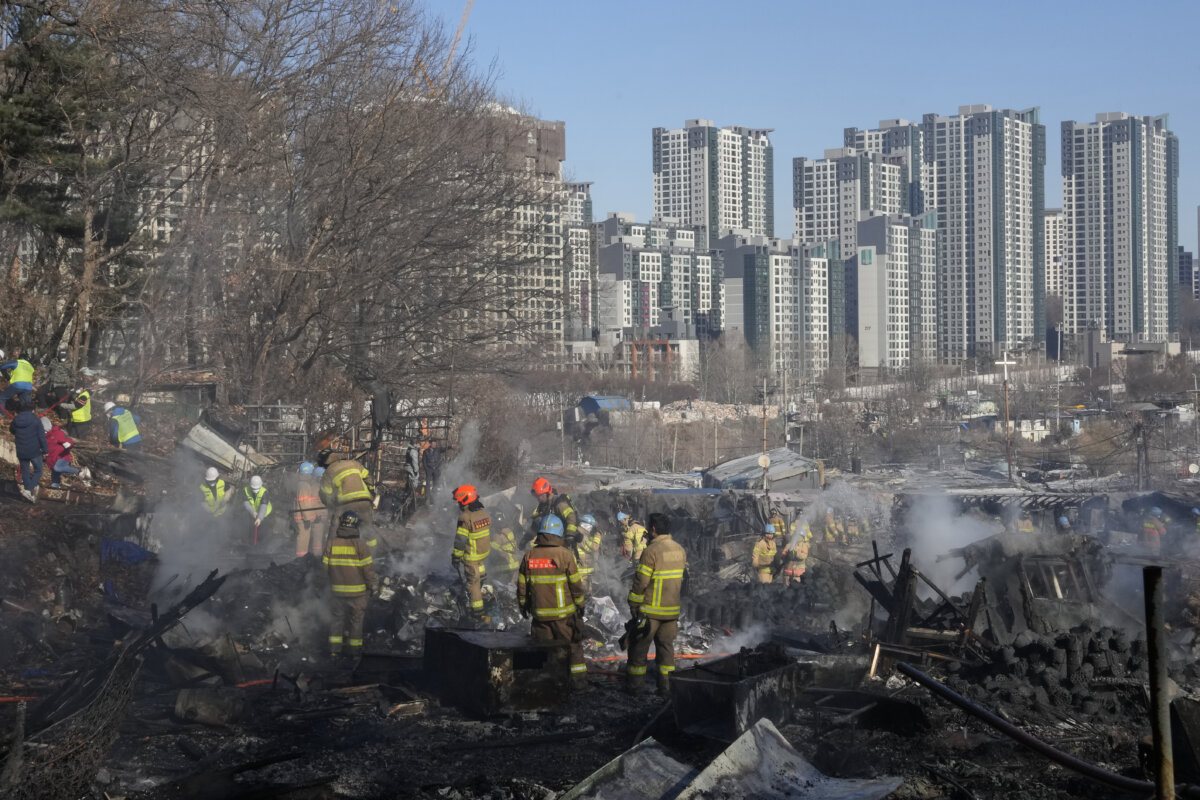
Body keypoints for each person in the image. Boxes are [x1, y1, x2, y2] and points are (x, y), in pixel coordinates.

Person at [517, 514, 587, 688]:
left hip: (540, 616)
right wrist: (580, 605)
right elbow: (576, 585)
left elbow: (521, 586)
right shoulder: (565, 555)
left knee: (543, 652)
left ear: (541, 533)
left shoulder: (529, 555)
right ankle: (578, 684)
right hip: (564, 616)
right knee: (573, 648)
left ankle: (547, 686)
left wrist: (523, 605)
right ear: (559, 534)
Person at [626, 512, 687, 697]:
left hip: (650, 612)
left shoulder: (651, 551)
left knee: (638, 649)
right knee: (666, 650)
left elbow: (641, 582)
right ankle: (666, 688)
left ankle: (636, 688)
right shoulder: (680, 550)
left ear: (653, 530)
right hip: (671, 613)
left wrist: (633, 604)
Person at [323, 510, 378, 659]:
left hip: (336, 594)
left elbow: (324, 570)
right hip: (357, 595)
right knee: (356, 623)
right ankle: (353, 653)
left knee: (336, 621)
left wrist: (323, 586)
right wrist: (373, 586)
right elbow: (368, 571)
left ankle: (334, 651)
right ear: (355, 526)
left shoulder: (331, 544)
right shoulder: (361, 545)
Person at [319, 449, 377, 550]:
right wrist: (371, 492)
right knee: (368, 527)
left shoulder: (329, 471)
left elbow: (326, 494)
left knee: (334, 528)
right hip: (364, 501)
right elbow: (368, 478)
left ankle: (329, 553)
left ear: (324, 462)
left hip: (345, 503)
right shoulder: (354, 463)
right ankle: (372, 554)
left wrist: (331, 507)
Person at [451, 484, 491, 620]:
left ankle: (478, 613)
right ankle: (483, 589)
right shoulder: (483, 514)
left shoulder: (465, 517)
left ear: (464, 500)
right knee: (479, 577)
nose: (458, 504)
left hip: (472, 557)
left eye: (458, 501)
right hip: (482, 554)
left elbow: (460, 542)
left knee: (472, 584)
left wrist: (456, 558)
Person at [9, 399, 47, 502]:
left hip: (21, 450)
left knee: (25, 470)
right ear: (32, 410)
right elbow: (41, 436)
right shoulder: (36, 420)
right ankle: (28, 489)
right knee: (38, 470)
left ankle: (28, 491)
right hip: (34, 450)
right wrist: (45, 450)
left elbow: (12, 430)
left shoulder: (16, 420)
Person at [528, 477, 579, 548]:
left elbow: (571, 516)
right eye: (537, 497)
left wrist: (570, 535)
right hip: (552, 539)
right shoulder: (544, 505)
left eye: (540, 496)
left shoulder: (559, 503)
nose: (538, 499)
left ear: (547, 493)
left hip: (565, 538)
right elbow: (537, 521)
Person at [293, 462, 326, 558]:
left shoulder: (303, 484)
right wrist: (307, 518)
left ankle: (303, 558)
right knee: (303, 539)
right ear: (308, 474)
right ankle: (301, 559)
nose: (312, 476)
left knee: (305, 538)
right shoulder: (304, 486)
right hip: (303, 519)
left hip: (303, 517)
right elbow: (305, 504)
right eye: (311, 473)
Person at [44, 419, 80, 488]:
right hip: (52, 460)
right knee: (55, 480)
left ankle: (78, 472)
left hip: (62, 457)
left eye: (45, 430)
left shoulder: (58, 433)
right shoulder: (44, 437)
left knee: (57, 468)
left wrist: (68, 444)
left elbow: (70, 441)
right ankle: (55, 489)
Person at [575, 514, 604, 593]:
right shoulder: (581, 536)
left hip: (585, 569)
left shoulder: (581, 533)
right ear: (586, 525)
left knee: (588, 589)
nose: (592, 529)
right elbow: (594, 547)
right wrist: (598, 536)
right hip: (582, 570)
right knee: (584, 592)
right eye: (592, 527)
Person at [39, 349, 74, 414]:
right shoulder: (54, 361)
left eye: (63, 357)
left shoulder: (69, 364)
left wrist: (71, 385)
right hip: (51, 383)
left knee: (62, 400)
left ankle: (63, 416)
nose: (62, 359)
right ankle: (43, 407)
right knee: (40, 391)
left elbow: (73, 375)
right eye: (60, 357)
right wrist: (44, 377)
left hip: (62, 385)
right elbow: (48, 370)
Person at [243, 475, 273, 543]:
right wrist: (252, 512)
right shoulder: (246, 490)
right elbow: (246, 503)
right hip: (254, 512)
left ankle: (262, 545)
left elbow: (264, 506)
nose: (255, 491)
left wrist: (259, 518)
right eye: (253, 489)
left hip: (265, 514)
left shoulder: (264, 492)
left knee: (263, 531)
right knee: (252, 529)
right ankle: (251, 544)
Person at [781, 521, 811, 585]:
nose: (798, 537)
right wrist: (786, 555)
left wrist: (795, 553)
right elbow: (783, 554)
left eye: (800, 536)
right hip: (788, 572)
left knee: (796, 589)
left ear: (803, 537)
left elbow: (803, 556)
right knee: (785, 589)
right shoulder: (789, 545)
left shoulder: (804, 546)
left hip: (798, 573)